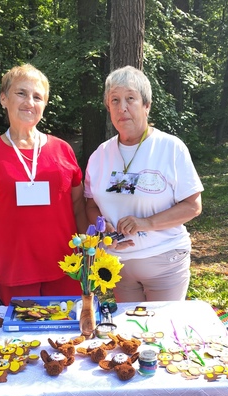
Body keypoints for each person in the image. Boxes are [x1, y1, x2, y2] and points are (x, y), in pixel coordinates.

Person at [0, 64, 87, 305]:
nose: (29, 102)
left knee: (67, 340)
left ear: (44, 105)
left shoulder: (63, 150)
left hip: (67, 270)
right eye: (21, 93)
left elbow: (78, 207)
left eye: (37, 97)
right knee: (17, 342)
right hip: (13, 273)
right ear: (4, 99)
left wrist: (88, 259)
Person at [84, 66, 203, 303]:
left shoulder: (170, 147)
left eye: (130, 98)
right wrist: (103, 228)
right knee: (129, 332)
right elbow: (90, 205)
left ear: (146, 105)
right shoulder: (100, 155)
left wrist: (146, 223)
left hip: (164, 261)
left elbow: (192, 206)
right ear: (109, 108)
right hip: (118, 265)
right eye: (114, 101)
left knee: (161, 332)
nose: (122, 108)